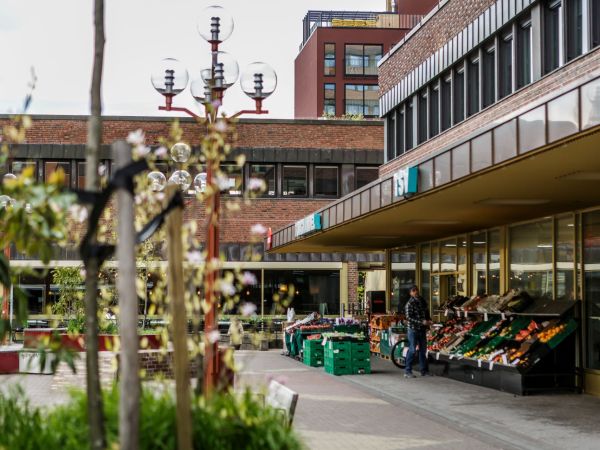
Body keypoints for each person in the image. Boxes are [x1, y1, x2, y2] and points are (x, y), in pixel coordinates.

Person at [404, 285, 432, 378]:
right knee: (412, 350)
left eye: (416, 290)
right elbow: (408, 317)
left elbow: (426, 312)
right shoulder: (409, 304)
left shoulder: (422, 301)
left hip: (422, 329)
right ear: (410, 293)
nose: (416, 292)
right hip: (413, 329)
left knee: (423, 350)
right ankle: (407, 371)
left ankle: (424, 371)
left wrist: (429, 320)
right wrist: (421, 322)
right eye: (413, 290)